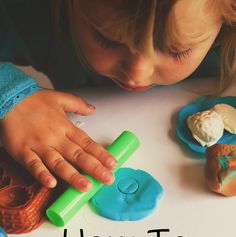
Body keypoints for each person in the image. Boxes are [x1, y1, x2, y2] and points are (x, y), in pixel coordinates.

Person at [0, 0, 235, 191]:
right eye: (108, 40)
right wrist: (11, 96)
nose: (136, 73)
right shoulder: (33, 12)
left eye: (176, 50)